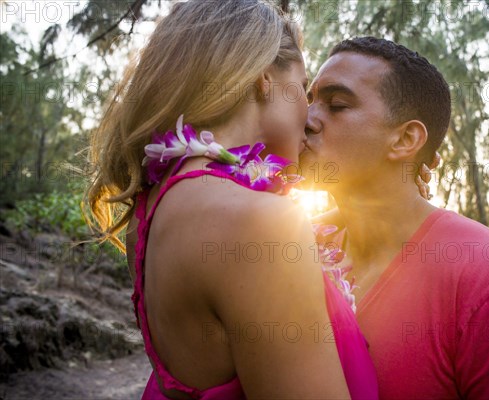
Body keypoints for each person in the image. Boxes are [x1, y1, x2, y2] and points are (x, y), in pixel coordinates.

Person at [84, 2, 386, 399]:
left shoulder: (152, 208)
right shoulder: (261, 222)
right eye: (303, 87)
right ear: (263, 81)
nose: (310, 115)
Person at [301, 36, 489, 399]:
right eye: (308, 100)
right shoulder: (300, 246)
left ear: (405, 139)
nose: (306, 119)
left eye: (336, 105)